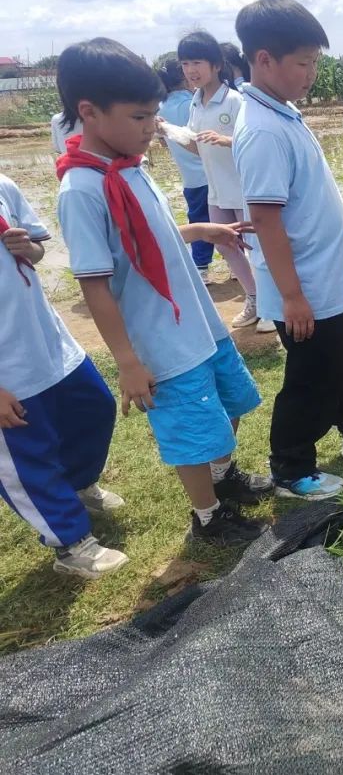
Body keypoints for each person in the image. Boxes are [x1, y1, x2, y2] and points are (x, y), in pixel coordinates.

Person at [55, 38, 270, 546]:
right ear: (89, 112)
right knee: (191, 427)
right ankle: (208, 517)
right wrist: (128, 361)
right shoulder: (83, 190)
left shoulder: (128, 166)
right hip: (160, 339)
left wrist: (199, 232)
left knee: (228, 400)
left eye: (154, 114)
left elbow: (147, 238)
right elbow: (95, 284)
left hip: (197, 320)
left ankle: (223, 479)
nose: (153, 126)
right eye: (139, 117)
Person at [233, 0, 343, 500]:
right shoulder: (264, 129)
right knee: (311, 378)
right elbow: (266, 219)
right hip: (303, 289)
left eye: (315, 62)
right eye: (304, 63)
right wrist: (291, 296)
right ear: (264, 59)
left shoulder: (282, 112)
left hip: (322, 280)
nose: (312, 73)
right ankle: (290, 468)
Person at [0, 173, 128, 578]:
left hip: (47, 342)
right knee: (26, 458)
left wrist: (29, 248)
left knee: (94, 408)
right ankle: (70, 543)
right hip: (7, 370)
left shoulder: (2, 185)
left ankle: (78, 486)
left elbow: (37, 251)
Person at [176, 30, 268, 332]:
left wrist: (226, 140)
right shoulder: (195, 102)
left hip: (242, 190)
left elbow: (254, 142)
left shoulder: (234, 101)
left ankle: (270, 305)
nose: (191, 70)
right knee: (226, 247)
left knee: (257, 249)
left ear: (216, 65)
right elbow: (196, 145)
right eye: (185, 63)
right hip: (216, 191)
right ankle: (254, 299)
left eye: (197, 62)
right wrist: (169, 133)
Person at [156, 59, 213, 281]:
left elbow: (163, 141)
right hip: (210, 173)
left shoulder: (161, 109)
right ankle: (227, 264)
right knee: (225, 219)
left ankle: (201, 267)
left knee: (197, 219)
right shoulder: (194, 103)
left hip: (189, 177)